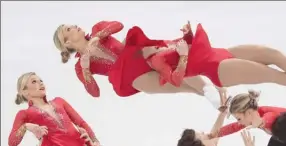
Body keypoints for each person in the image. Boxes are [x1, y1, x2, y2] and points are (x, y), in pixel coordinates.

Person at [111, 22, 286, 99]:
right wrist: (183, 54)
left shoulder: (161, 45)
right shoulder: (155, 62)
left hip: (221, 52)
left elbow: (189, 46)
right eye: (139, 43)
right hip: (217, 68)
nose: (145, 41)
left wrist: (186, 36)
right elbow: (176, 79)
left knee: (272, 54)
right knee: (273, 75)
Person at [52, 21, 224, 109]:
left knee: (176, 64)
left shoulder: (98, 30)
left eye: (71, 26)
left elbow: (118, 25)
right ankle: (214, 95)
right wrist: (86, 69)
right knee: (177, 85)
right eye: (69, 30)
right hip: (132, 76)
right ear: (67, 44)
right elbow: (95, 93)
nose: (74, 26)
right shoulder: (81, 67)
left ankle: (211, 88)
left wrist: (99, 36)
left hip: (138, 55)